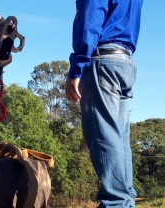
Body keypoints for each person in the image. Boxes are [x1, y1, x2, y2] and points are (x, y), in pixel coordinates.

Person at [65, 0, 143, 207]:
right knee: (119, 139)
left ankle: (115, 203)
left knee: (104, 136)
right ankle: (124, 202)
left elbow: (90, 19)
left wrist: (77, 68)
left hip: (102, 61)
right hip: (125, 62)